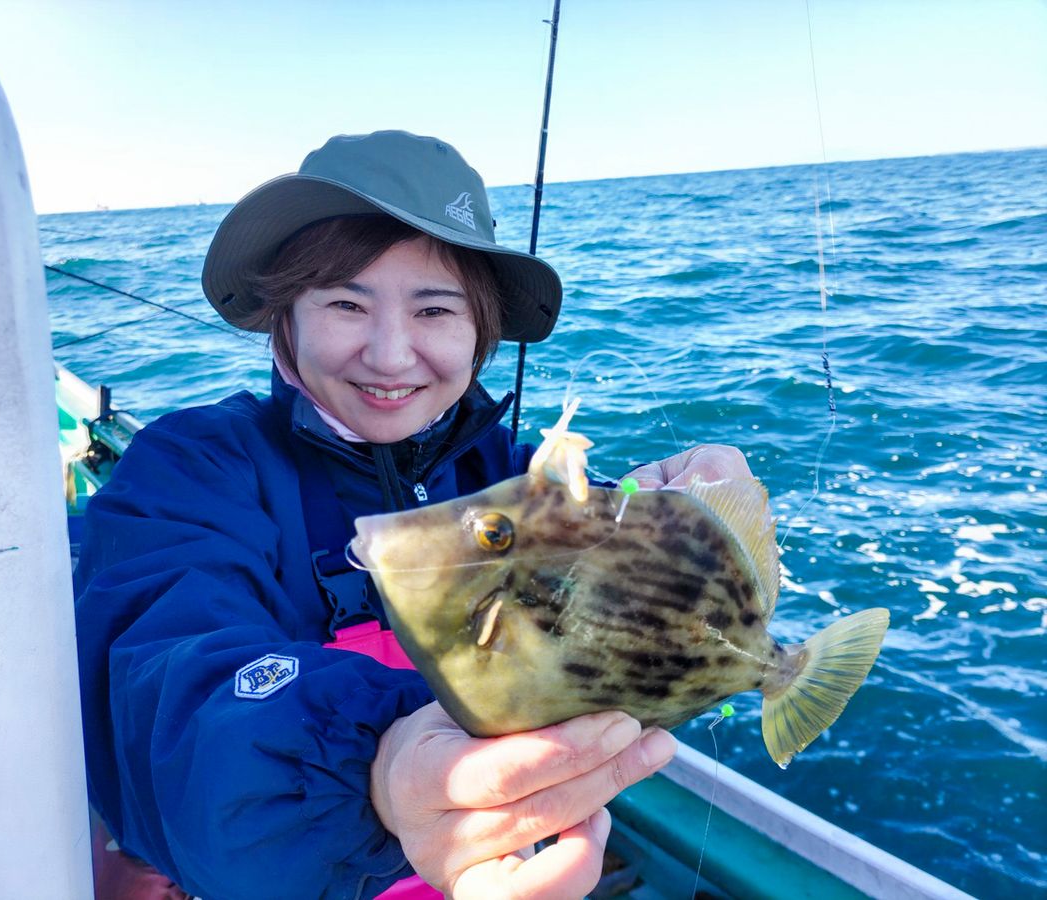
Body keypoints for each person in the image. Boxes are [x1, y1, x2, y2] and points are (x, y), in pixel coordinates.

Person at [74, 130, 753, 900]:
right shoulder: (194, 470)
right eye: (345, 304)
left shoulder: (514, 478)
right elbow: (165, 691)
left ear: (480, 333)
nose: (392, 356)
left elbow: (636, 647)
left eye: (434, 309)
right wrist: (382, 771)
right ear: (284, 322)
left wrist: (680, 545)